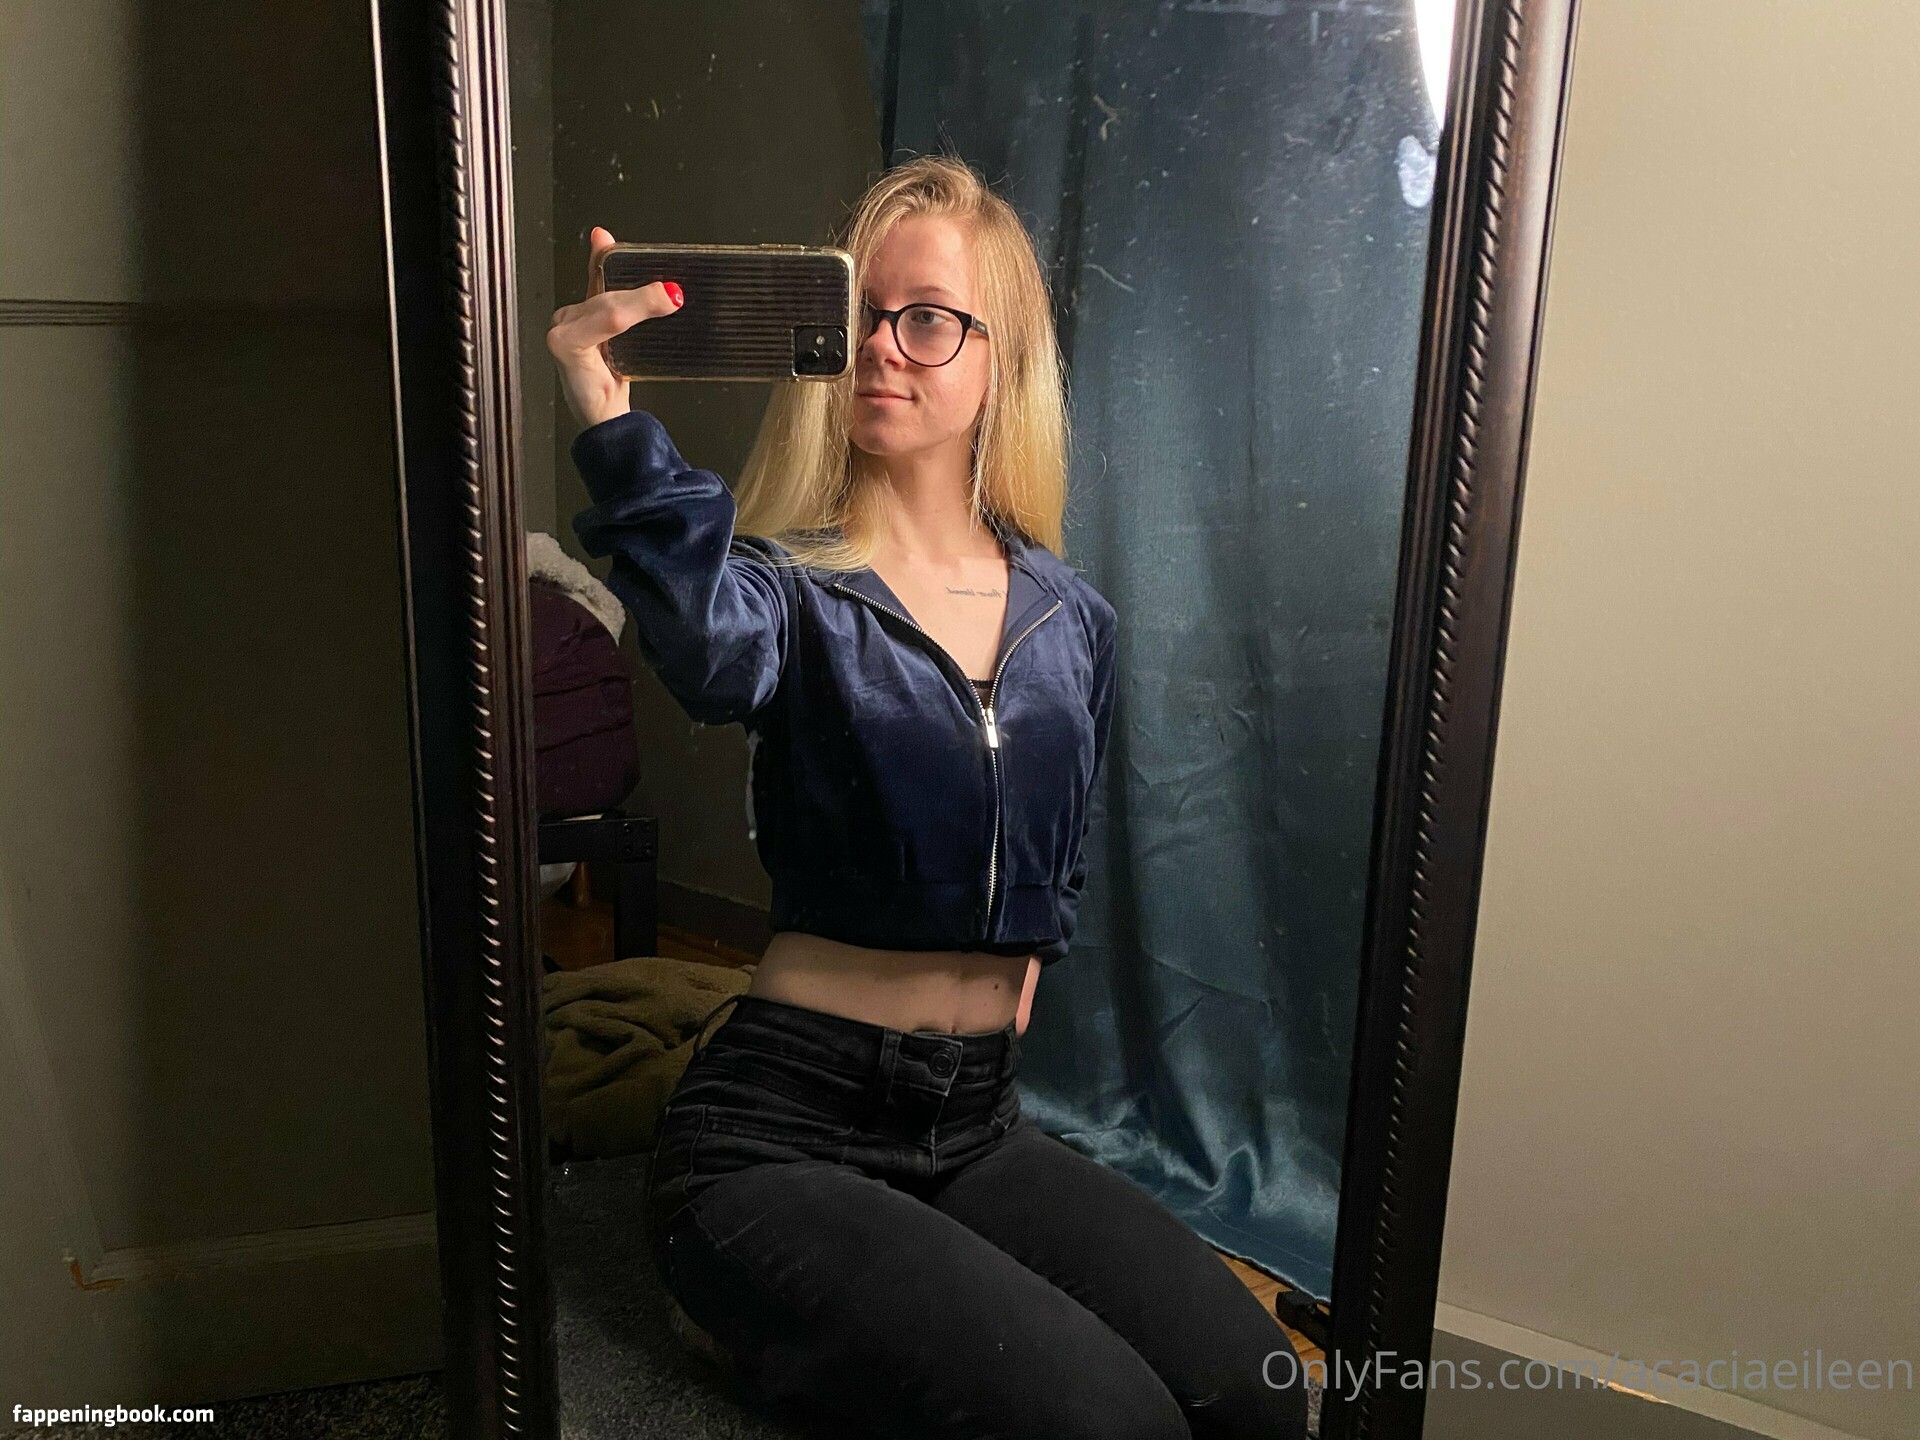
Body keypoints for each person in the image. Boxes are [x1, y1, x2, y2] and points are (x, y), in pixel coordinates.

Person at [547, 155, 1309, 1440]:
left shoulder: (1073, 618)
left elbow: (1059, 844)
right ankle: (754, 1306)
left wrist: (1023, 959)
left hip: (976, 1126)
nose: (881, 349)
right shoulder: (789, 591)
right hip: (778, 1130)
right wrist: (612, 422)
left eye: (929, 319)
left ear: (1001, 359)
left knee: (1258, 1392)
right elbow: (708, 653)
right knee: (1109, 1425)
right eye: (857, 314)